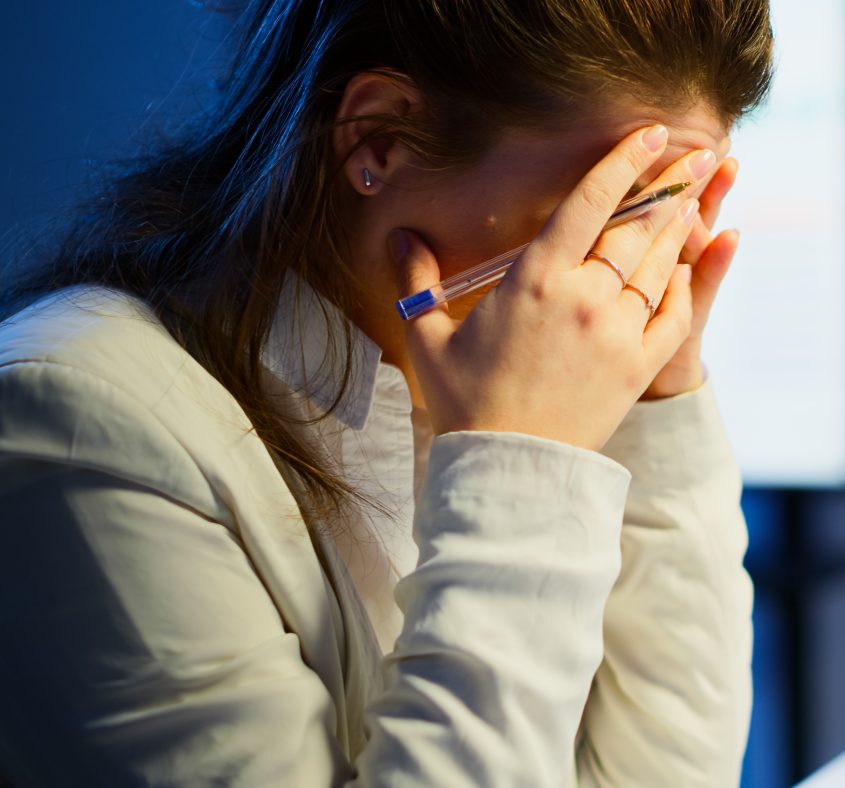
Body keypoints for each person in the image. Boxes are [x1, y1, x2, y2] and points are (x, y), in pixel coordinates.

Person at [0, 0, 773, 784]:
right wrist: (521, 470)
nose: (629, 273)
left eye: (667, 216)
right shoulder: (84, 428)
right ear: (380, 137)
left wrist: (657, 397)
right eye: (606, 212)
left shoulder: (467, 388)